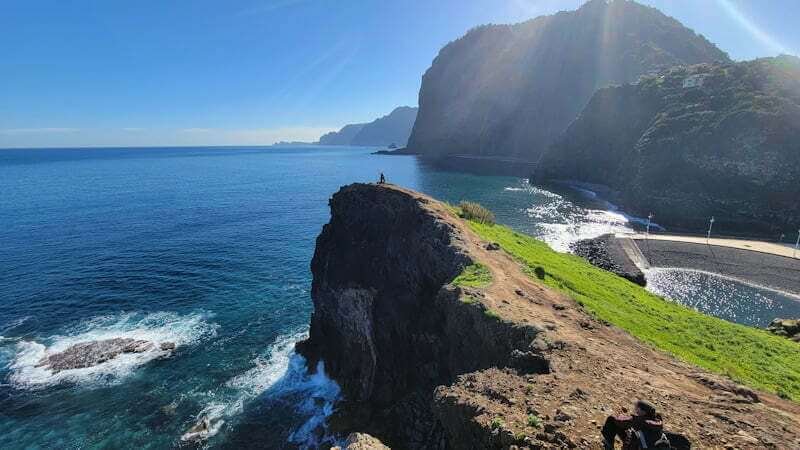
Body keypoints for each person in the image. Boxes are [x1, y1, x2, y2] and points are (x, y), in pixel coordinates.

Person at [602, 400, 671, 449]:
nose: (635, 410)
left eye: (637, 408)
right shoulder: (657, 422)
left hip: (639, 446)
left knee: (611, 421)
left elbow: (617, 420)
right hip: (650, 445)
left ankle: (608, 446)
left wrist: (620, 415)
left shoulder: (638, 420)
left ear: (643, 412)